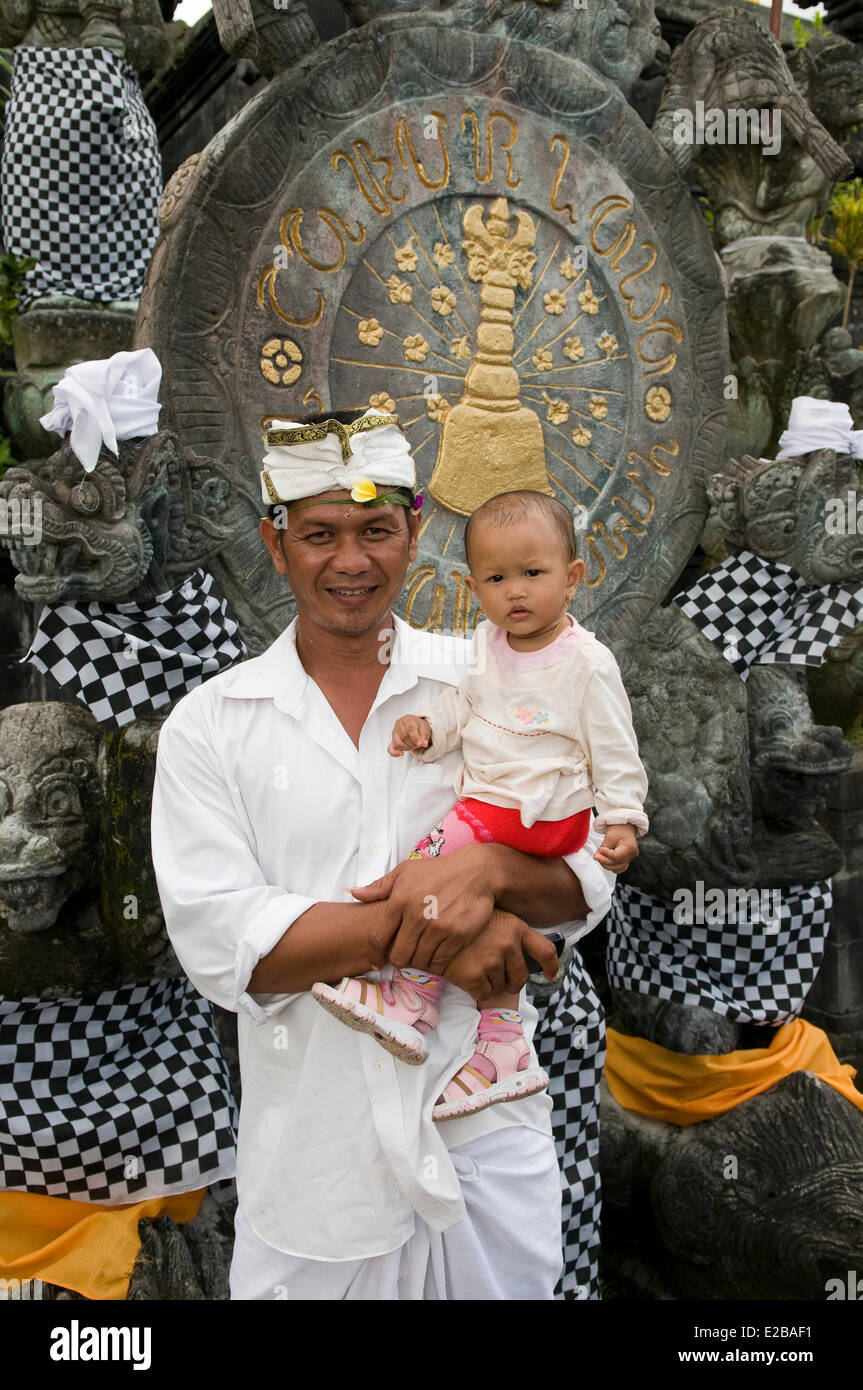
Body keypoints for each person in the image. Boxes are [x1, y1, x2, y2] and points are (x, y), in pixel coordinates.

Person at [150, 407, 614, 1300]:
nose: (350, 561)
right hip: (313, 1161)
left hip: (480, 1128)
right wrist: (442, 933)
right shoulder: (213, 724)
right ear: (273, 543)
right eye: (319, 534)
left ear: (415, 535)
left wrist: (480, 873)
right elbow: (222, 942)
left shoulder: (492, 680)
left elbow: (589, 872)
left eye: (375, 530)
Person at [312, 489, 648, 1120]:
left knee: (427, 868)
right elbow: (460, 710)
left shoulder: (587, 663)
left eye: (533, 574)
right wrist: (426, 730)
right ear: (473, 587)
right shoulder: (484, 650)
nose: (514, 592)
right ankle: (504, 1048)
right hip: (498, 812)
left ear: (573, 578)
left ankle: (411, 1000)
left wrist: (624, 820)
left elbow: (616, 750)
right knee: (474, 906)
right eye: (496, 579)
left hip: (541, 814)